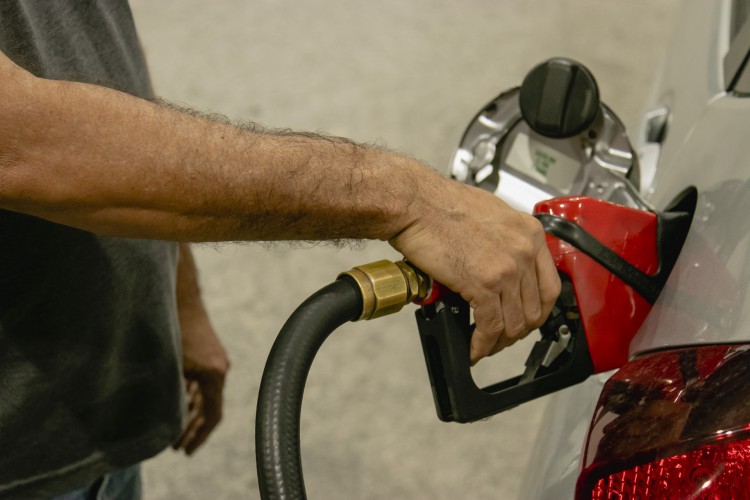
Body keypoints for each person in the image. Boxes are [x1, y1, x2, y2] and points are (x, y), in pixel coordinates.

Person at [0, 1, 560, 498]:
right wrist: (409, 198)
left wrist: (178, 301)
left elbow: (97, 46)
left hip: (91, 406)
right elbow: (16, 141)